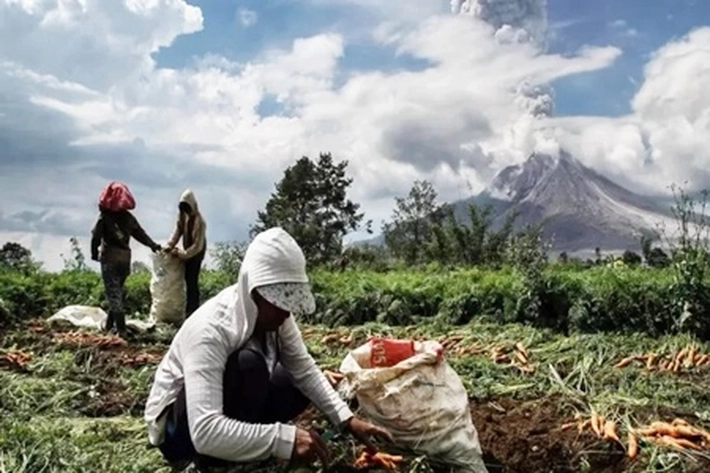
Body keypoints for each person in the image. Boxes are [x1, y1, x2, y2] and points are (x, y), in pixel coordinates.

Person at [144, 227, 392, 470]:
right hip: (180, 434)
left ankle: (243, 442)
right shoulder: (210, 329)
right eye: (279, 303)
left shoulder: (277, 317)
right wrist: (282, 440)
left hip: (228, 413)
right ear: (253, 292)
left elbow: (304, 369)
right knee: (248, 364)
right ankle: (215, 460)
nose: (287, 313)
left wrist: (347, 420)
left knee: (292, 379)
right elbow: (205, 431)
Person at [90, 181, 161, 338]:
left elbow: (95, 237)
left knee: (114, 295)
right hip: (124, 259)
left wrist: (94, 253)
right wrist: (153, 245)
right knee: (116, 293)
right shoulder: (129, 219)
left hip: (110, 258)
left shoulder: (104, 218)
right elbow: (140, 234)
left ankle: (121, 331)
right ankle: (109, 326)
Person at [164, 189, 207, 318]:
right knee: (185, 280)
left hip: (197, 253)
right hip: (187, 250)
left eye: (187, 208)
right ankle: (187, 309)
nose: (185, 211)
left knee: (192, 280)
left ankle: (193, 310)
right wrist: (170, 245)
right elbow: (178, 230)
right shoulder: (183, 216)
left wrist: (183, 254)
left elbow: (197, 246)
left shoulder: (200, 222)